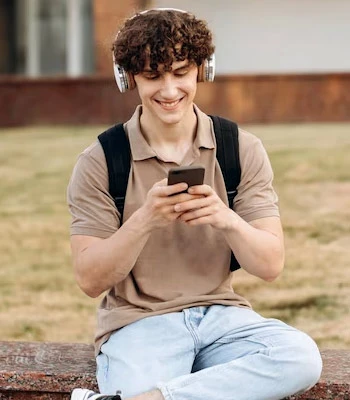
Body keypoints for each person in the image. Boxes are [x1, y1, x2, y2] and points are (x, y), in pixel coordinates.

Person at [67, 8, 322, 400]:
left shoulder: (241, 149)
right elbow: (90, 279)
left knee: (300, 358)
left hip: (224, 317)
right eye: (153, 76)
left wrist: (226, 219)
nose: (169, 91)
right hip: (139, 324)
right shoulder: (101, 160)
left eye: (181, 72)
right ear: (128, 77)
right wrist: (145, 219)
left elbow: (270, 265)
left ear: (203, 70)